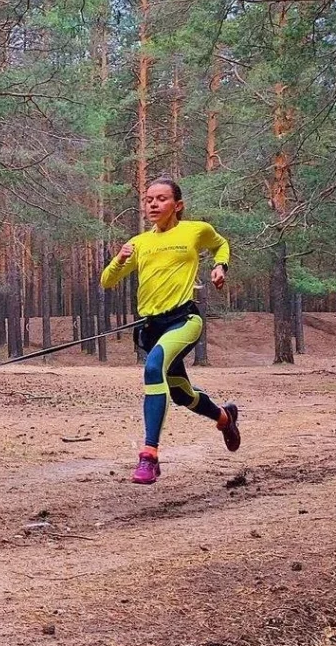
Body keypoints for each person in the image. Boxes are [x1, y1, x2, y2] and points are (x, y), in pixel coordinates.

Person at [101, 177, 240, 485]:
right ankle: (225, 418)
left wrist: (221, 267)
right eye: (149, 199)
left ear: (177, 205)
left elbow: (220, 244)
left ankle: (149, 456)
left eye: (161, 199)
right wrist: (120, 258)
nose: (153, 204)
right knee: (182, 395)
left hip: (183, 320)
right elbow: (107, 281)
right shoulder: (139, 243)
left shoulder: (194, 230)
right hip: (152, 328)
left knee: (153, 369)